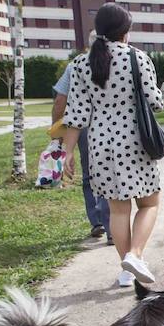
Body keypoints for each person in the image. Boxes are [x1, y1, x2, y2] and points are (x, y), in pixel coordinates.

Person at [60, 3, 164, 288]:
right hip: (134, 141)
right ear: (125, 31)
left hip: (99, 145)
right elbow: (155, 101)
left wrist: (67, 151)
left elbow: (75, 113)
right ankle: (135, 254)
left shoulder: (80, 64)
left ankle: (127, 272)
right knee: (149, 203)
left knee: (118, 210)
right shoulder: (137, 58)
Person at [51, 59, 111, 242]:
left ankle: (97, 221)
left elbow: (60, 100)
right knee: (111, 174)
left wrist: (56, 131)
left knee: (89, 174)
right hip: (114, 125)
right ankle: (113, 228)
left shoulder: (74, 66)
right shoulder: (121, 59)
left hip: (83, 126)